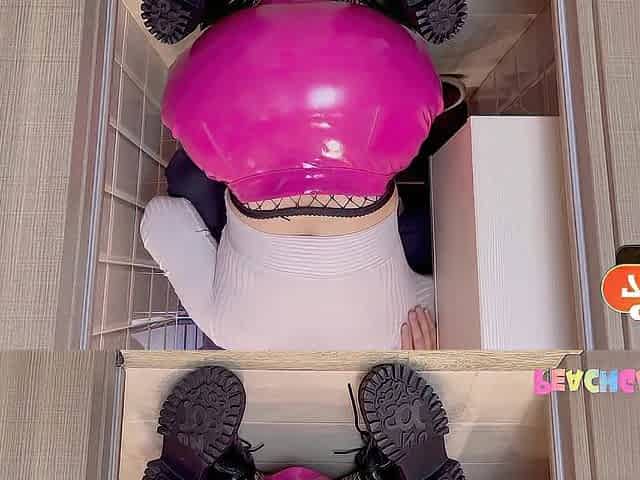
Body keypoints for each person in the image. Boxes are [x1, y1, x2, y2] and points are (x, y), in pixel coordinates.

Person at [141, 0, 467, 350]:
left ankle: (388, 15)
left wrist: (427, 353)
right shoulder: (231, 334)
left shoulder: (395, 337)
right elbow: (161, 219)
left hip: (374, 91)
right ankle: (222, 15)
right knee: (190, 179)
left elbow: (464, 287)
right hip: (232, 93)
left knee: (429, 234)